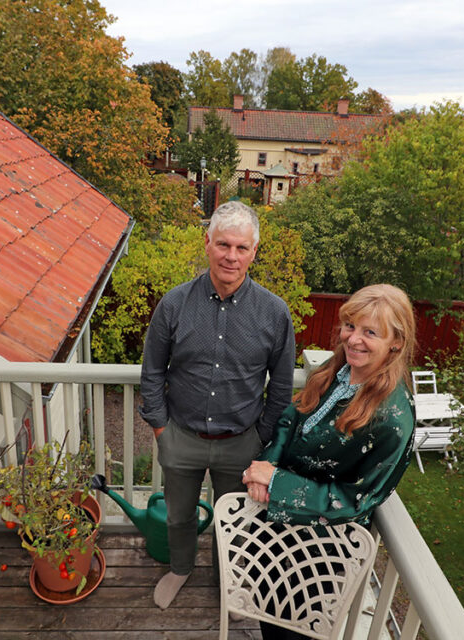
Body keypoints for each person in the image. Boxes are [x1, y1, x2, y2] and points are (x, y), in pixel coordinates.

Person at [139, 200, 296, 610]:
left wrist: (260, 438)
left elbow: (280, 388)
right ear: (206, 243)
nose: (231, 256)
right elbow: (153, 371)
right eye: (223, 244)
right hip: (182, 436)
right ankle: (180, 567)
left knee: (237, 523)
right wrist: (161, 430)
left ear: (254, 252)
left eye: (241, 248)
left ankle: (225, 576)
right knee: (178, 516)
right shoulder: (174, 304)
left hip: (241, 442)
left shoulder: (275, 314)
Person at [241, 284, 417, 639]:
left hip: (320, 549)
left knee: (296, 626)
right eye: (350, 326)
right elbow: (293, 415)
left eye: (371, 332)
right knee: (267, 605)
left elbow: (355, 500)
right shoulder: (338, 368)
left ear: (395, 342)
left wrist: (276, 482)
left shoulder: (393, 420)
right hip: (280, 526)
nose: (353, 340)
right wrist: (266, 470)